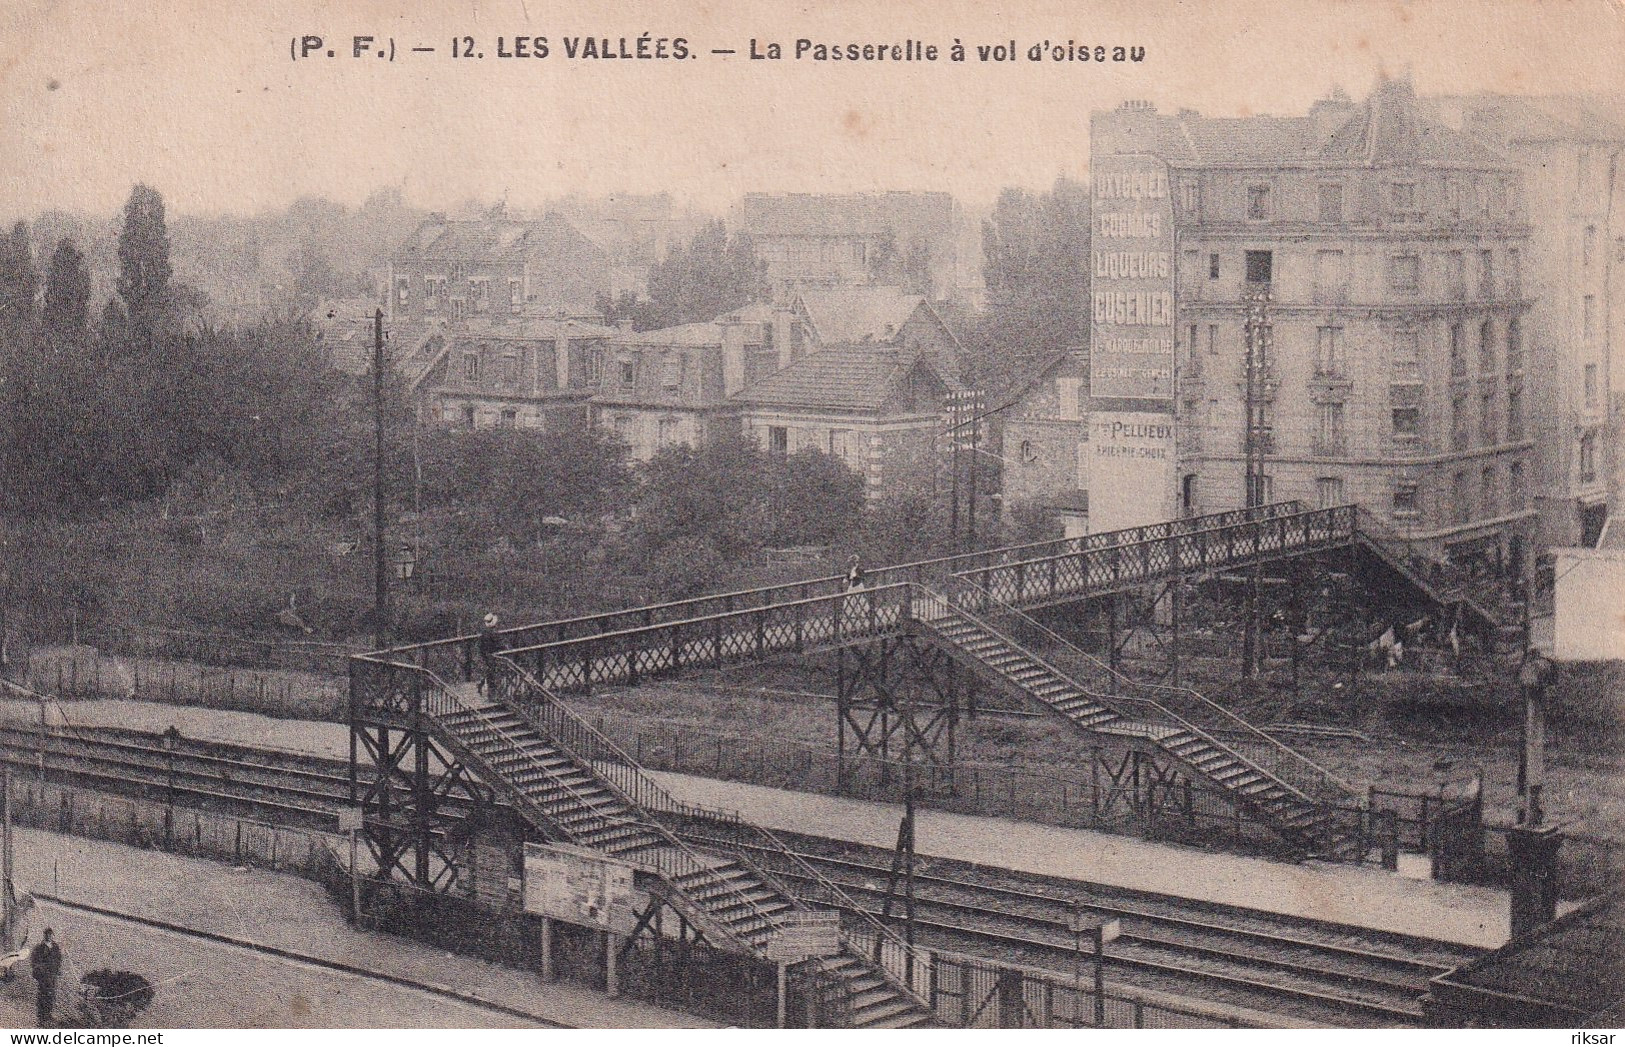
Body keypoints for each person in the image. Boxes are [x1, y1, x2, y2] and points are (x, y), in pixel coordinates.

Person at [31, 927, 61, 1026]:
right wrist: (39, 971)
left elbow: (58, 959)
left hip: (52, 976)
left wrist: (57, 970)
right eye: (47, 934)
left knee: (51, 995)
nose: (49, 936)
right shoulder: (39, 947)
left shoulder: (55, 947)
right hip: (43, 977)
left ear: (53, 935)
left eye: (50, 934)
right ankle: (41, 1017)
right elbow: (34, 961)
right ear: (44, 935)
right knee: (42, 995)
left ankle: (48, 1014)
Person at [477, 612, 502, 695]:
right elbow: (497, 643)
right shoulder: (491, 632)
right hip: (491, 655)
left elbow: (481, 645)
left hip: (486, 654)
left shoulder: (484, 631)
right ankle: (491, 692)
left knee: (489, 672)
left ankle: (483, 686)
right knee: (491, 672)